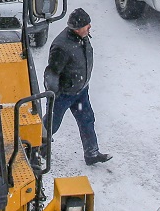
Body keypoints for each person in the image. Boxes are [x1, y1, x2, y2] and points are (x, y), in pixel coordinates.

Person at [43, 8, 110, 165]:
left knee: (87, 120)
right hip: (63, 95)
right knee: (51, 124)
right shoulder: (62, 46)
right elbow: (52, 73)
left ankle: (91, 153)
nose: (90, 27)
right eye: (86, 25)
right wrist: (53, 95)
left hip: (80, 91)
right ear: (76, 28)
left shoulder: (82, 37)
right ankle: (36, 150)